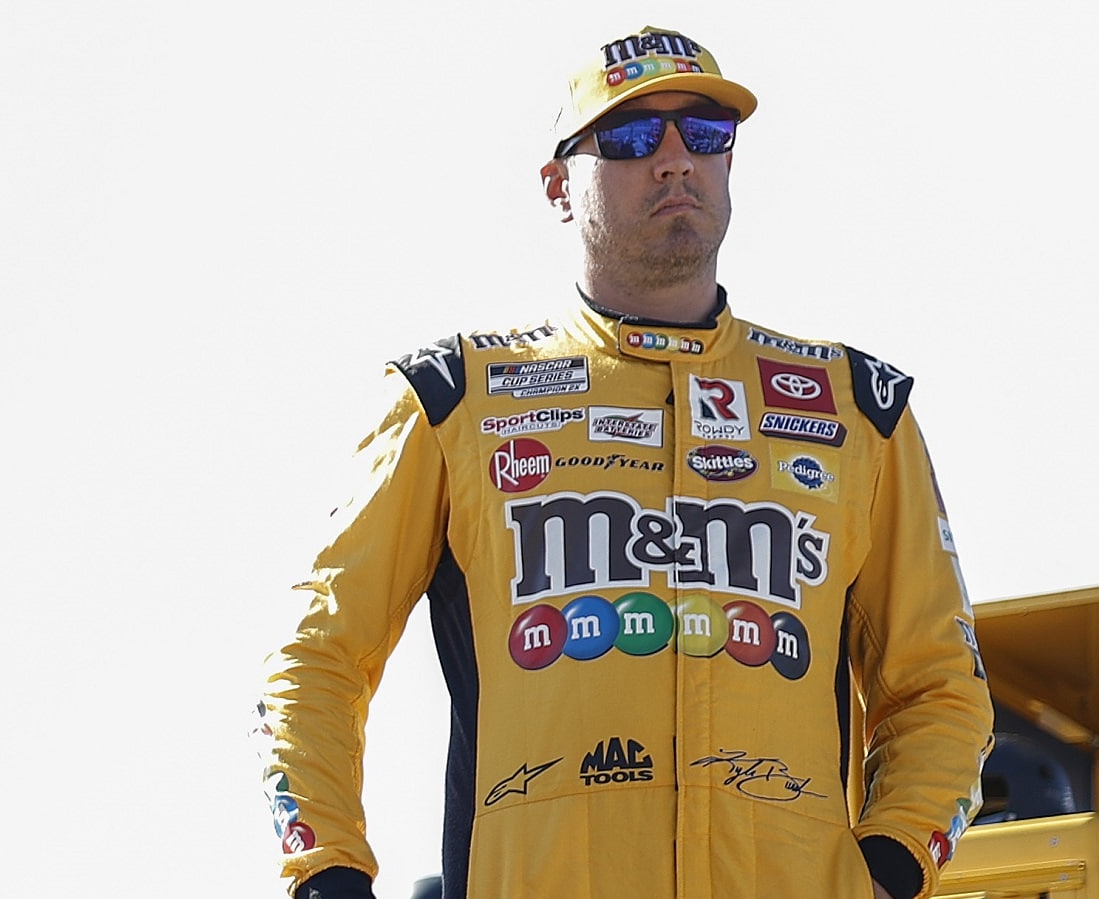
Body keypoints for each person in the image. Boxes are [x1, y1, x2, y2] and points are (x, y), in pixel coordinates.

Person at [255, 24, 992, 899]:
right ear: (558, 185)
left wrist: (891, 866)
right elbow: (316, 657)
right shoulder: (452, 400)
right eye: (635, 136)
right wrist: (327, 870)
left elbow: (941, 686)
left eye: (706, 134)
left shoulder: (855, 408)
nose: (676, 160)